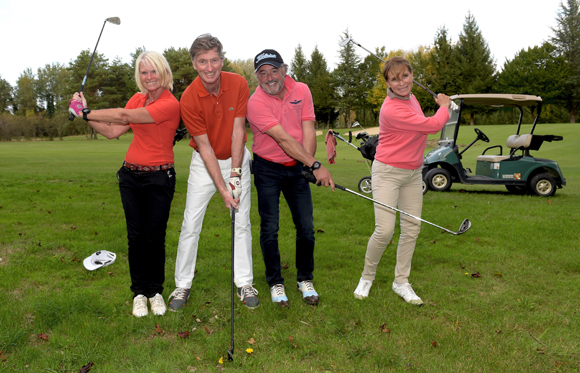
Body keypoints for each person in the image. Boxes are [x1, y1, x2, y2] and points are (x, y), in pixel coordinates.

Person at [68, 51, 180, 317]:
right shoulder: (138, 98)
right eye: (144, 72)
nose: (149, 77)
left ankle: (155, 292)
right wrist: (85, 113)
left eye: (154, 71)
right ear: (139, 76)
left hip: (159, 177)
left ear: (163, 72)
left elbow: (120, 114)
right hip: (130, 176)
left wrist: (84, 112)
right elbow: (112, 130)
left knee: (154, 237)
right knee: (135, 237)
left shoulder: (169, 103)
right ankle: (139, 293)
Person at [168, 34, 259, 311]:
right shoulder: (189, 98)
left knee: (241, 221)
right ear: (195, 64)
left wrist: (235, 173)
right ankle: (182, 285)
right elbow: (205, 147)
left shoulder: (239, 83)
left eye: (214, 60)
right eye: (203, 61)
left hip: (236, 158)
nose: (210, 67)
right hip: (203, 163)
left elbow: (238, 130)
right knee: (191, 224)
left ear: (222, 59)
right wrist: (222, 189)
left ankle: (244, 282)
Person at [353, 56, 451, 305]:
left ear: (412, 75)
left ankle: (401, 281)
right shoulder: (391, 109)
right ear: (387, 82)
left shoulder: (411, 97)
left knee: (411, 228)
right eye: (394, 79)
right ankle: (367, 276)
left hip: (412, 173)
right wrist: (444, 105)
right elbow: (432, 126)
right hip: (387, 172)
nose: (401, 83)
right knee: (385, 230)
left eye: (405, 76)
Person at [246, 49, 335, 308]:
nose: (269, 77)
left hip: (297, 166)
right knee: (270, 228)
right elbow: (283, 139)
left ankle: (304, 278)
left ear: (284, 70)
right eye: (263, 73)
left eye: (274, 70)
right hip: (267, 169)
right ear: (257, 78)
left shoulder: (302, 90)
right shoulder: (256, 102)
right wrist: (315, 164)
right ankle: (275, 281)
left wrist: (307, 163)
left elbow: (308, 128)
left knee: (306, 228)